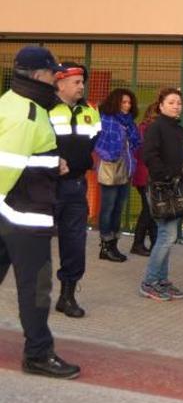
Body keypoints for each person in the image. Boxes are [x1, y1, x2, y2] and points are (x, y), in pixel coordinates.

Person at [0, 46, 80, 378]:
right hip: (23, 216)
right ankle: (37, 354)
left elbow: (23, 156)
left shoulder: (12, 101)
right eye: (53, 74)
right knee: (36, 288)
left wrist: (51, 163)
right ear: (38, 76)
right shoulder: (28, 114)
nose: (56, 79)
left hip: (10, 213)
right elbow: (7, 166)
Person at [49, 62, 101, 318]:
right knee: (35, 243)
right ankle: (35, 294)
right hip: (44, 187)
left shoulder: (90, 110)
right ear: (59, 83)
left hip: (76, 187)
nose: (81, 86)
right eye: (76, 82)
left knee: (74, 244)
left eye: (82, 82)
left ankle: (66, 296)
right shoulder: (44, 109)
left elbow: (94, 141)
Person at [139, 88, 183, 302]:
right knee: (166, 236)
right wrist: (166, 176)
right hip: (163, 188)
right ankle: (150, 282)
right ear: (161, 105)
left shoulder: (178, 130)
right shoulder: (156, 127)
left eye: (179, 102)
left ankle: (161, 280)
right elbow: (149, 155)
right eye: (171, 102)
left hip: (178, 188)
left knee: (168, 236)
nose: (176, 106)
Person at [95, 88, 140, 263]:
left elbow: (135, 143)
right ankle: (105, 246)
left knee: (118, 209)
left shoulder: (129, 122)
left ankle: (113, 245)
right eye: (123, 102)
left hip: (126, 168)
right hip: (110, 166)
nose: (127, 106)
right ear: (115, 102)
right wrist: (108, 155)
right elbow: (98, 141)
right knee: (108, 208)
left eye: (129, 102)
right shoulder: (106, 119)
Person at [130, 103, 159, 256]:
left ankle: (152, 243)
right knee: (149, 211)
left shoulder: (143, 127)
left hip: (142, 174)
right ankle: (138, 243)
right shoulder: (151, 129)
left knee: (150, 210)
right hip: (147, 175)